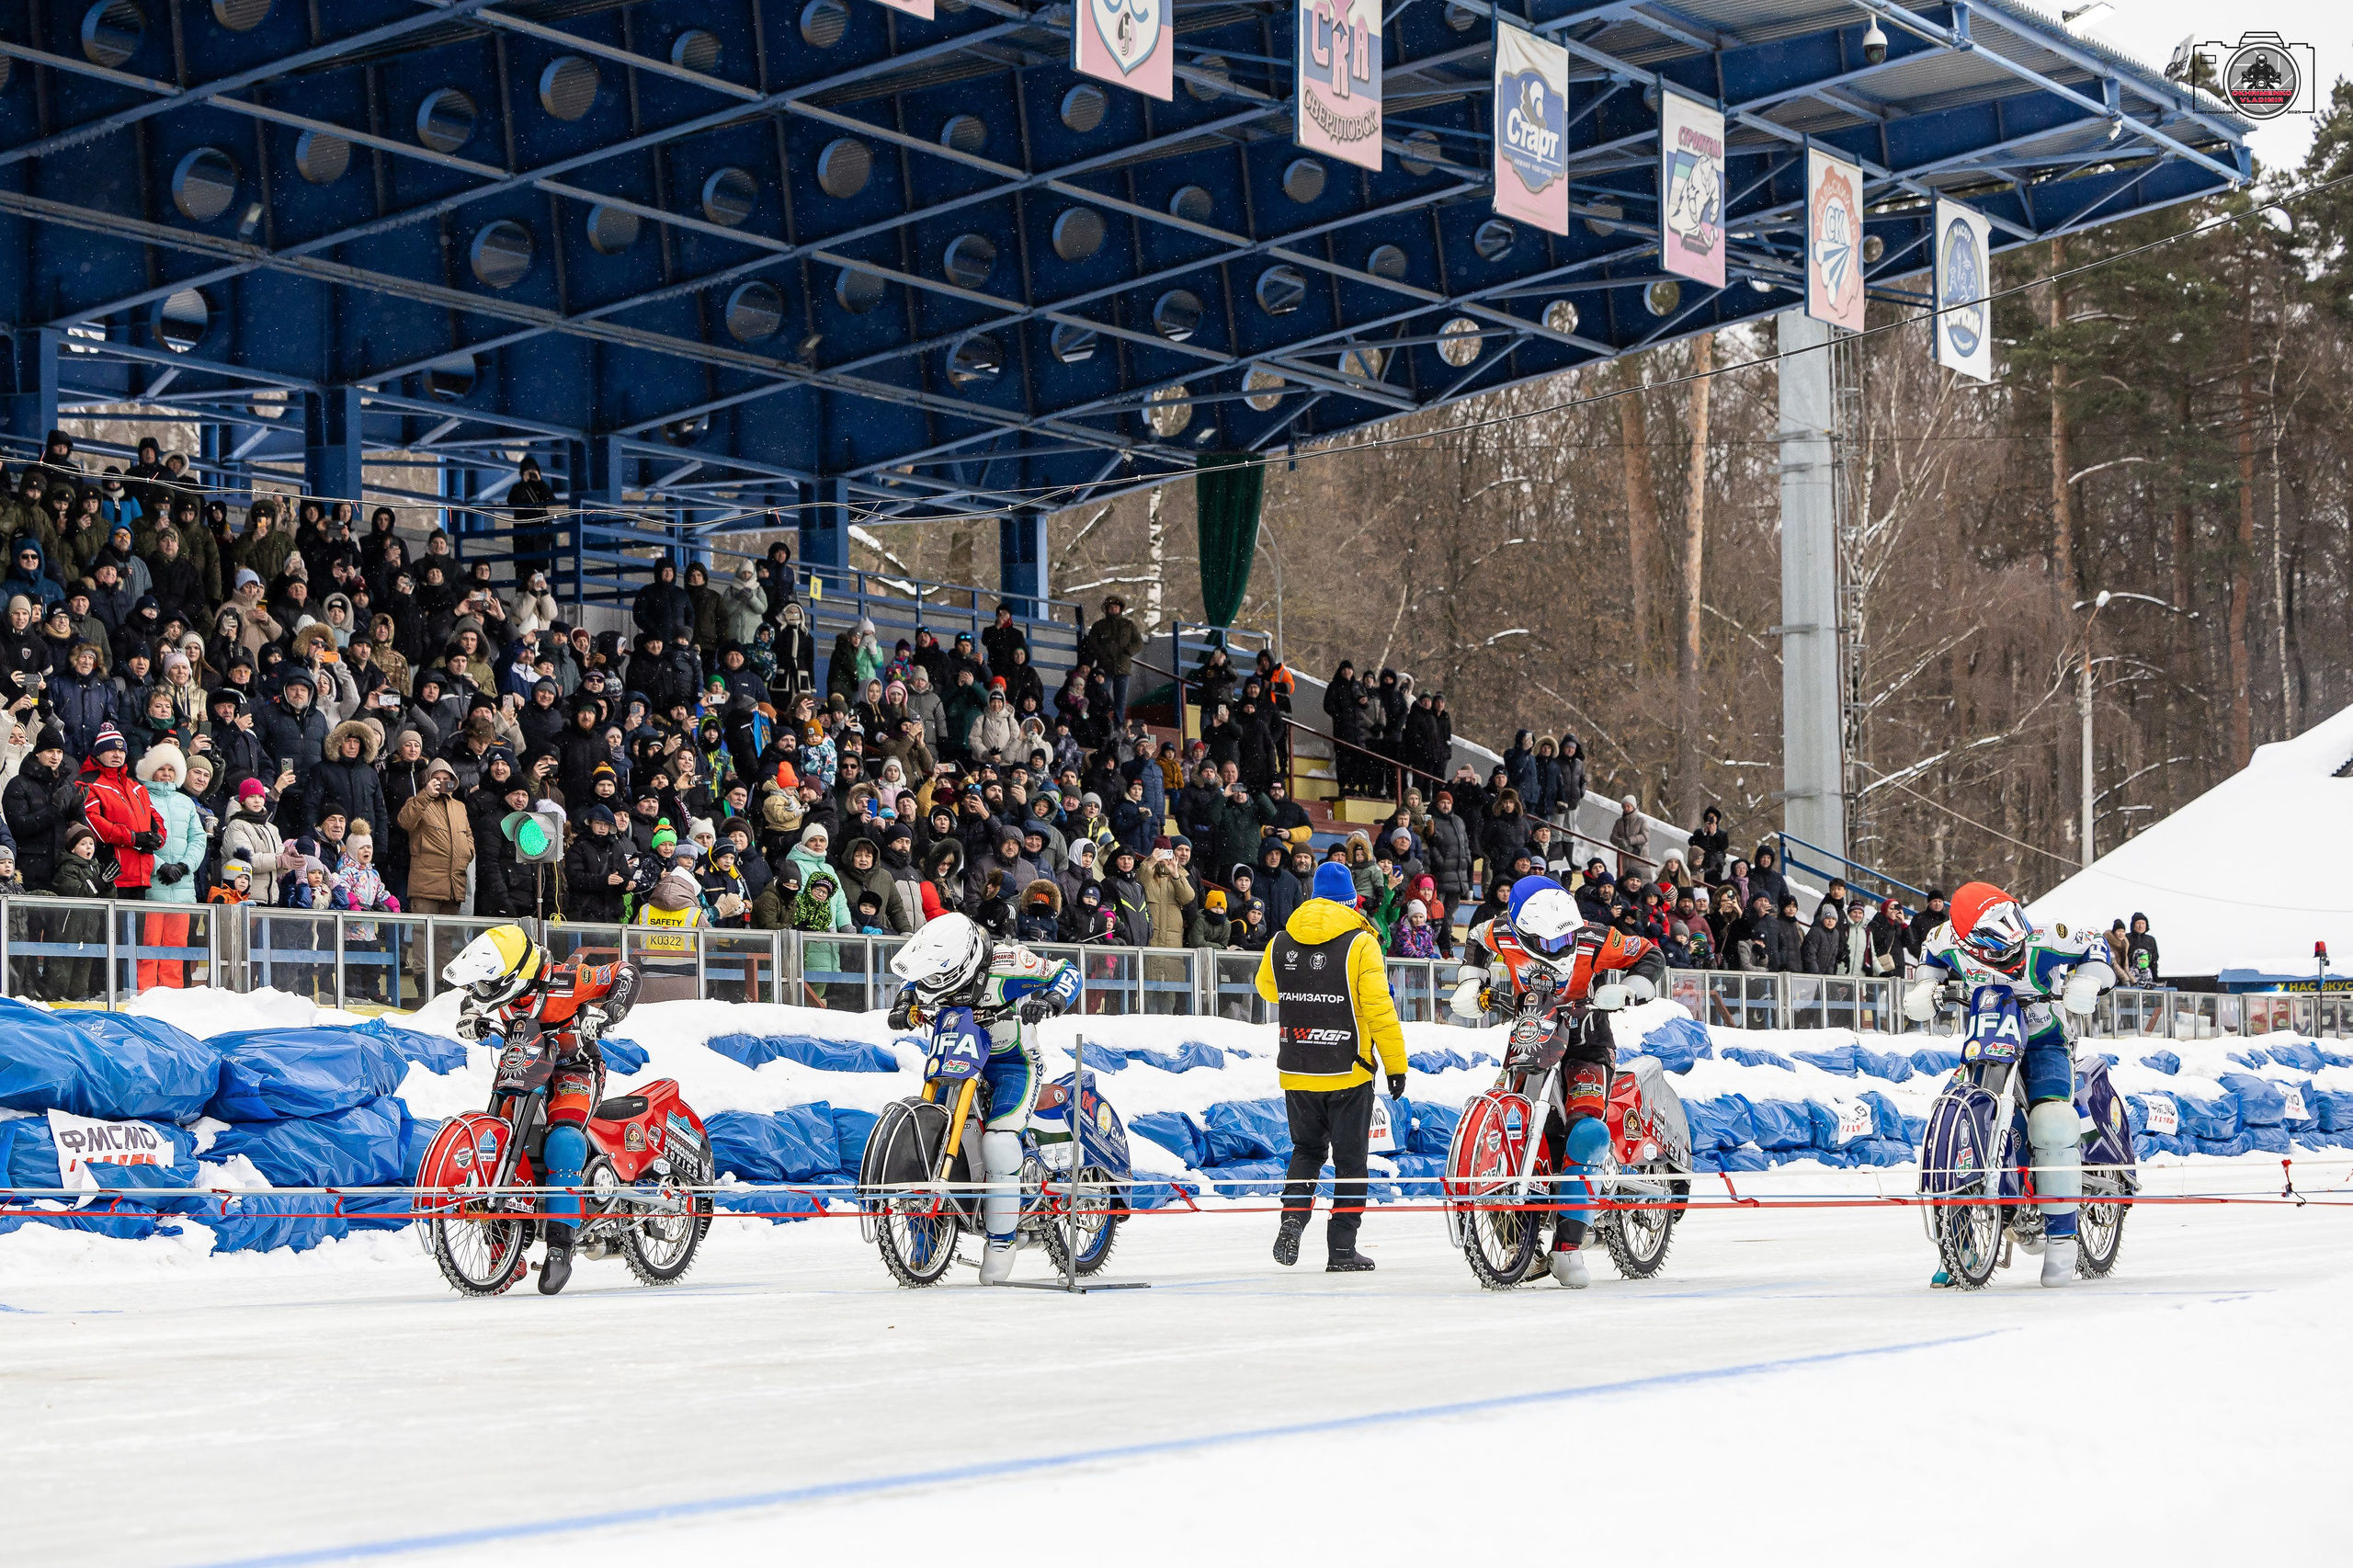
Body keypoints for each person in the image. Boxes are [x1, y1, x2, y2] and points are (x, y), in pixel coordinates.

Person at [1459, 875, 1666, 1287]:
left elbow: (1650, 953)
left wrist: (1629, 988)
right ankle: (1520, 1236)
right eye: (1548, 942)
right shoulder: (1499, 929)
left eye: (1563, 939)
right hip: (1532, 1034)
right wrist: (1472, 980)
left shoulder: (1593, 937)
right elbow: (1476, 940)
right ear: (1520, 928)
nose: (1559, 948)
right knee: (1511, 1121)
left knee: (1586, 1131)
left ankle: (1568, 1248)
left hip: (1587, 1042)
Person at [1904, 881, 2114, 1287]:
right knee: (1960, 1114)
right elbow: (1929, 957)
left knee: (2053, 1121)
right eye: (2005, 954)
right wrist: (1925, 988)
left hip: (2045, 1041)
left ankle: (2062, 1238)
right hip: (1988, 1040)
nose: (2017, 958)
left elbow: (2096, 947)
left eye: (2017, 944)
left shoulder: (2046, 936)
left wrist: (2087, 981)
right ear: (1971, 948)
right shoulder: (1946, 939)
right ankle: (1959, 1244)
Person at [442, 925, 641, 1295]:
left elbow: (624, 973)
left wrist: (611, 1010)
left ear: (516, 977)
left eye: (492, 986)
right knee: (501, 1139)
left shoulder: (568, 979)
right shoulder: (497, 985)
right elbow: (474, 994)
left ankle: (560, 1247)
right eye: (485, 986)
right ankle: (505, 1252)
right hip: (524, 1065)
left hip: (574, 1067)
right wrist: (469, 1015)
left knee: (563, 1141)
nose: (486, 992)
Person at [884, 913, 1081, 1284]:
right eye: (934, 980)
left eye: (943, 980)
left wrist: (1051, 1001)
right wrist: (902, 1006)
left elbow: (1067, 971)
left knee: (1000, 1143)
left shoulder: (1010, 963)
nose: (937, 986)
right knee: (929, 1130)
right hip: (956, 1058)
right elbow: (912, 982)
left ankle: (1002, 1242)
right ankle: (927, 1234)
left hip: (1013, 1064)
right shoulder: (935, 970)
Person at [1253, 860, 1407, 1274]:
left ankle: (1292, 1219)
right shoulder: (1361, 943)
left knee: (1306, 1151)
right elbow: (1379, 1009)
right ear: (1352, 901)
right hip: (1348, 1069)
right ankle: (1341, 1250)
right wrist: (1395, 1065)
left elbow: (1266, 987)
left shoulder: (1282, 939)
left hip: (1298, 1066)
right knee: (1351, 1162)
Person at [2125, 913, 2159, 986]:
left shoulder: (2151, 940)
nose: (2141, 926)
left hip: (2148, 979)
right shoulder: (2126, 938)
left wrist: (2155, 979)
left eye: (2143, 923)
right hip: (2130, 979)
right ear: (2133, 924)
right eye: (2138, 923)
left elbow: (2154, 960)